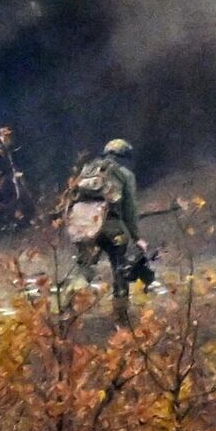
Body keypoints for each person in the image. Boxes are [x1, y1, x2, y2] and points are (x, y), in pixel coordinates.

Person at [63, 139, 149, 325]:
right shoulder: (125, 174)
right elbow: (130, 210)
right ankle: (121, 316)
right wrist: (137, 237)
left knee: (83, 267)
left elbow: (72, 199)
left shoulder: (87, 171)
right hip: (111, 230)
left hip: (87, 227)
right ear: (124, 156)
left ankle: (66, 307)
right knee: (120, 268)